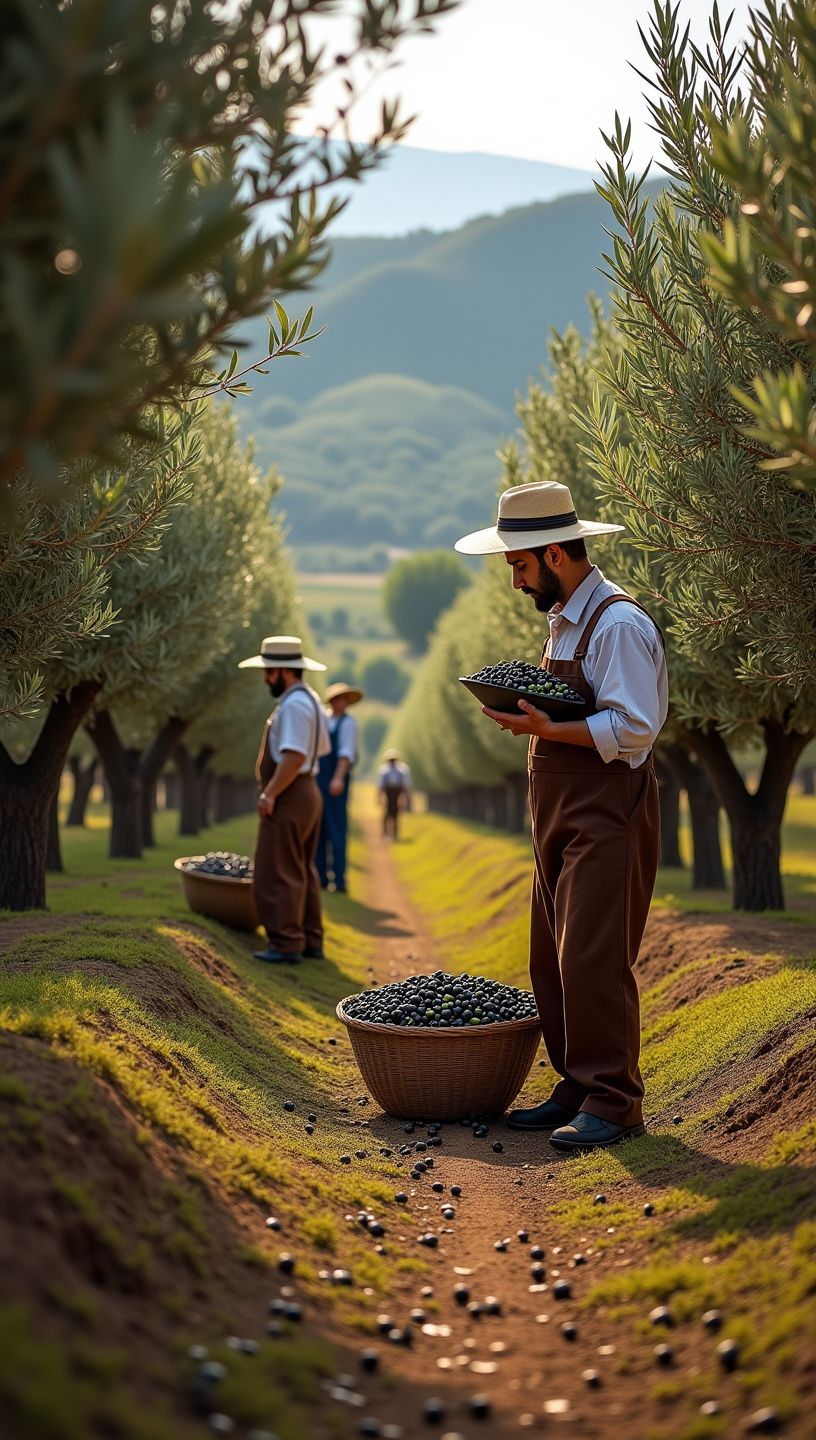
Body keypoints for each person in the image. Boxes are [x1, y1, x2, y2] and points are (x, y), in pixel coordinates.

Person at [454, 481, 668, 1152]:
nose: (515, 581)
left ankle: (615, 1100)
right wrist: (537, 721)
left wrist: (546, 726)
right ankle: (577, 1085)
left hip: (607, 816)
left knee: (593, 959)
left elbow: (635, 730)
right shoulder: (567, 622)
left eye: (519, 566)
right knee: (551, 960)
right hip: (559, 819)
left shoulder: (620, 625)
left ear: (553, 555)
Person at [238, 635, 330, 964]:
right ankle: (310, 939)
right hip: (305, 791)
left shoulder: (294, 705)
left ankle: (286, 942)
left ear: (284, 671)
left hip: (290, 793)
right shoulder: (311, 700)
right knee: (301, 868)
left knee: (278, 870)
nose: (266, 678)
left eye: (269, 671)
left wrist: (270, 793)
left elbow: (293, 757)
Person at [316, 681, 363, 894]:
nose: (340, 702)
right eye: (337, 699)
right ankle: (321, 876)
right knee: (319, 829)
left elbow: (346, 754)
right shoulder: (324, 720)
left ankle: (339, 879)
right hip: (319, 779)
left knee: (336, 829)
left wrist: (338, 778)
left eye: (343, 699)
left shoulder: (348, 724)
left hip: (335, 780)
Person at [377, 749, 412, 840]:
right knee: (387, 813)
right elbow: (381, 785)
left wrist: (406, 796)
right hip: (388, 793)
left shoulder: (402, 769)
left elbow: (405, 784)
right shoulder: (384, 770)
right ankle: (386, 833)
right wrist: (379, 797)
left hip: (397, 793)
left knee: (395, 814)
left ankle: (395, 834)